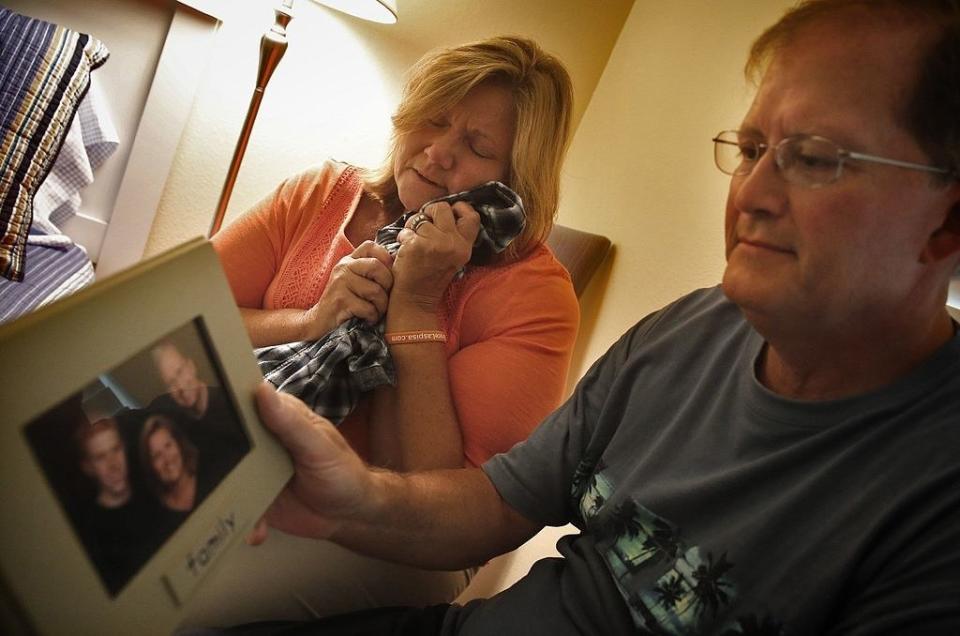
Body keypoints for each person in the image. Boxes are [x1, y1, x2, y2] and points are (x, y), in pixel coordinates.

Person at [197, 1, 960, 634]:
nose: (750, 194)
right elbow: (501, 500)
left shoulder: (931, 490)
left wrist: (415, 305)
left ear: (947, 224)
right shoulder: (685, 333)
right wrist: (351, 498)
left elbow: (442, 490)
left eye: (817, 156)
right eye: (753, 148)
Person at [186, 35, 580, 623]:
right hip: (243, 447)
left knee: (171, 599)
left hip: (391, 533)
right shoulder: (322, 193)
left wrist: (415, 304)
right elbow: (187, 319)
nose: (438, 152)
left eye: (476, 145)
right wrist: (310, 321)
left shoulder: (537, 298)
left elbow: (437, 494)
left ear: (515, 177)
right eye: (434, 119)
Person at [73, 417, 162, 596]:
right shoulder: (91, 534)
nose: (114, 464)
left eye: (116, 449)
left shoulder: (155, 492)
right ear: (88, 467)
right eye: (100, 457)